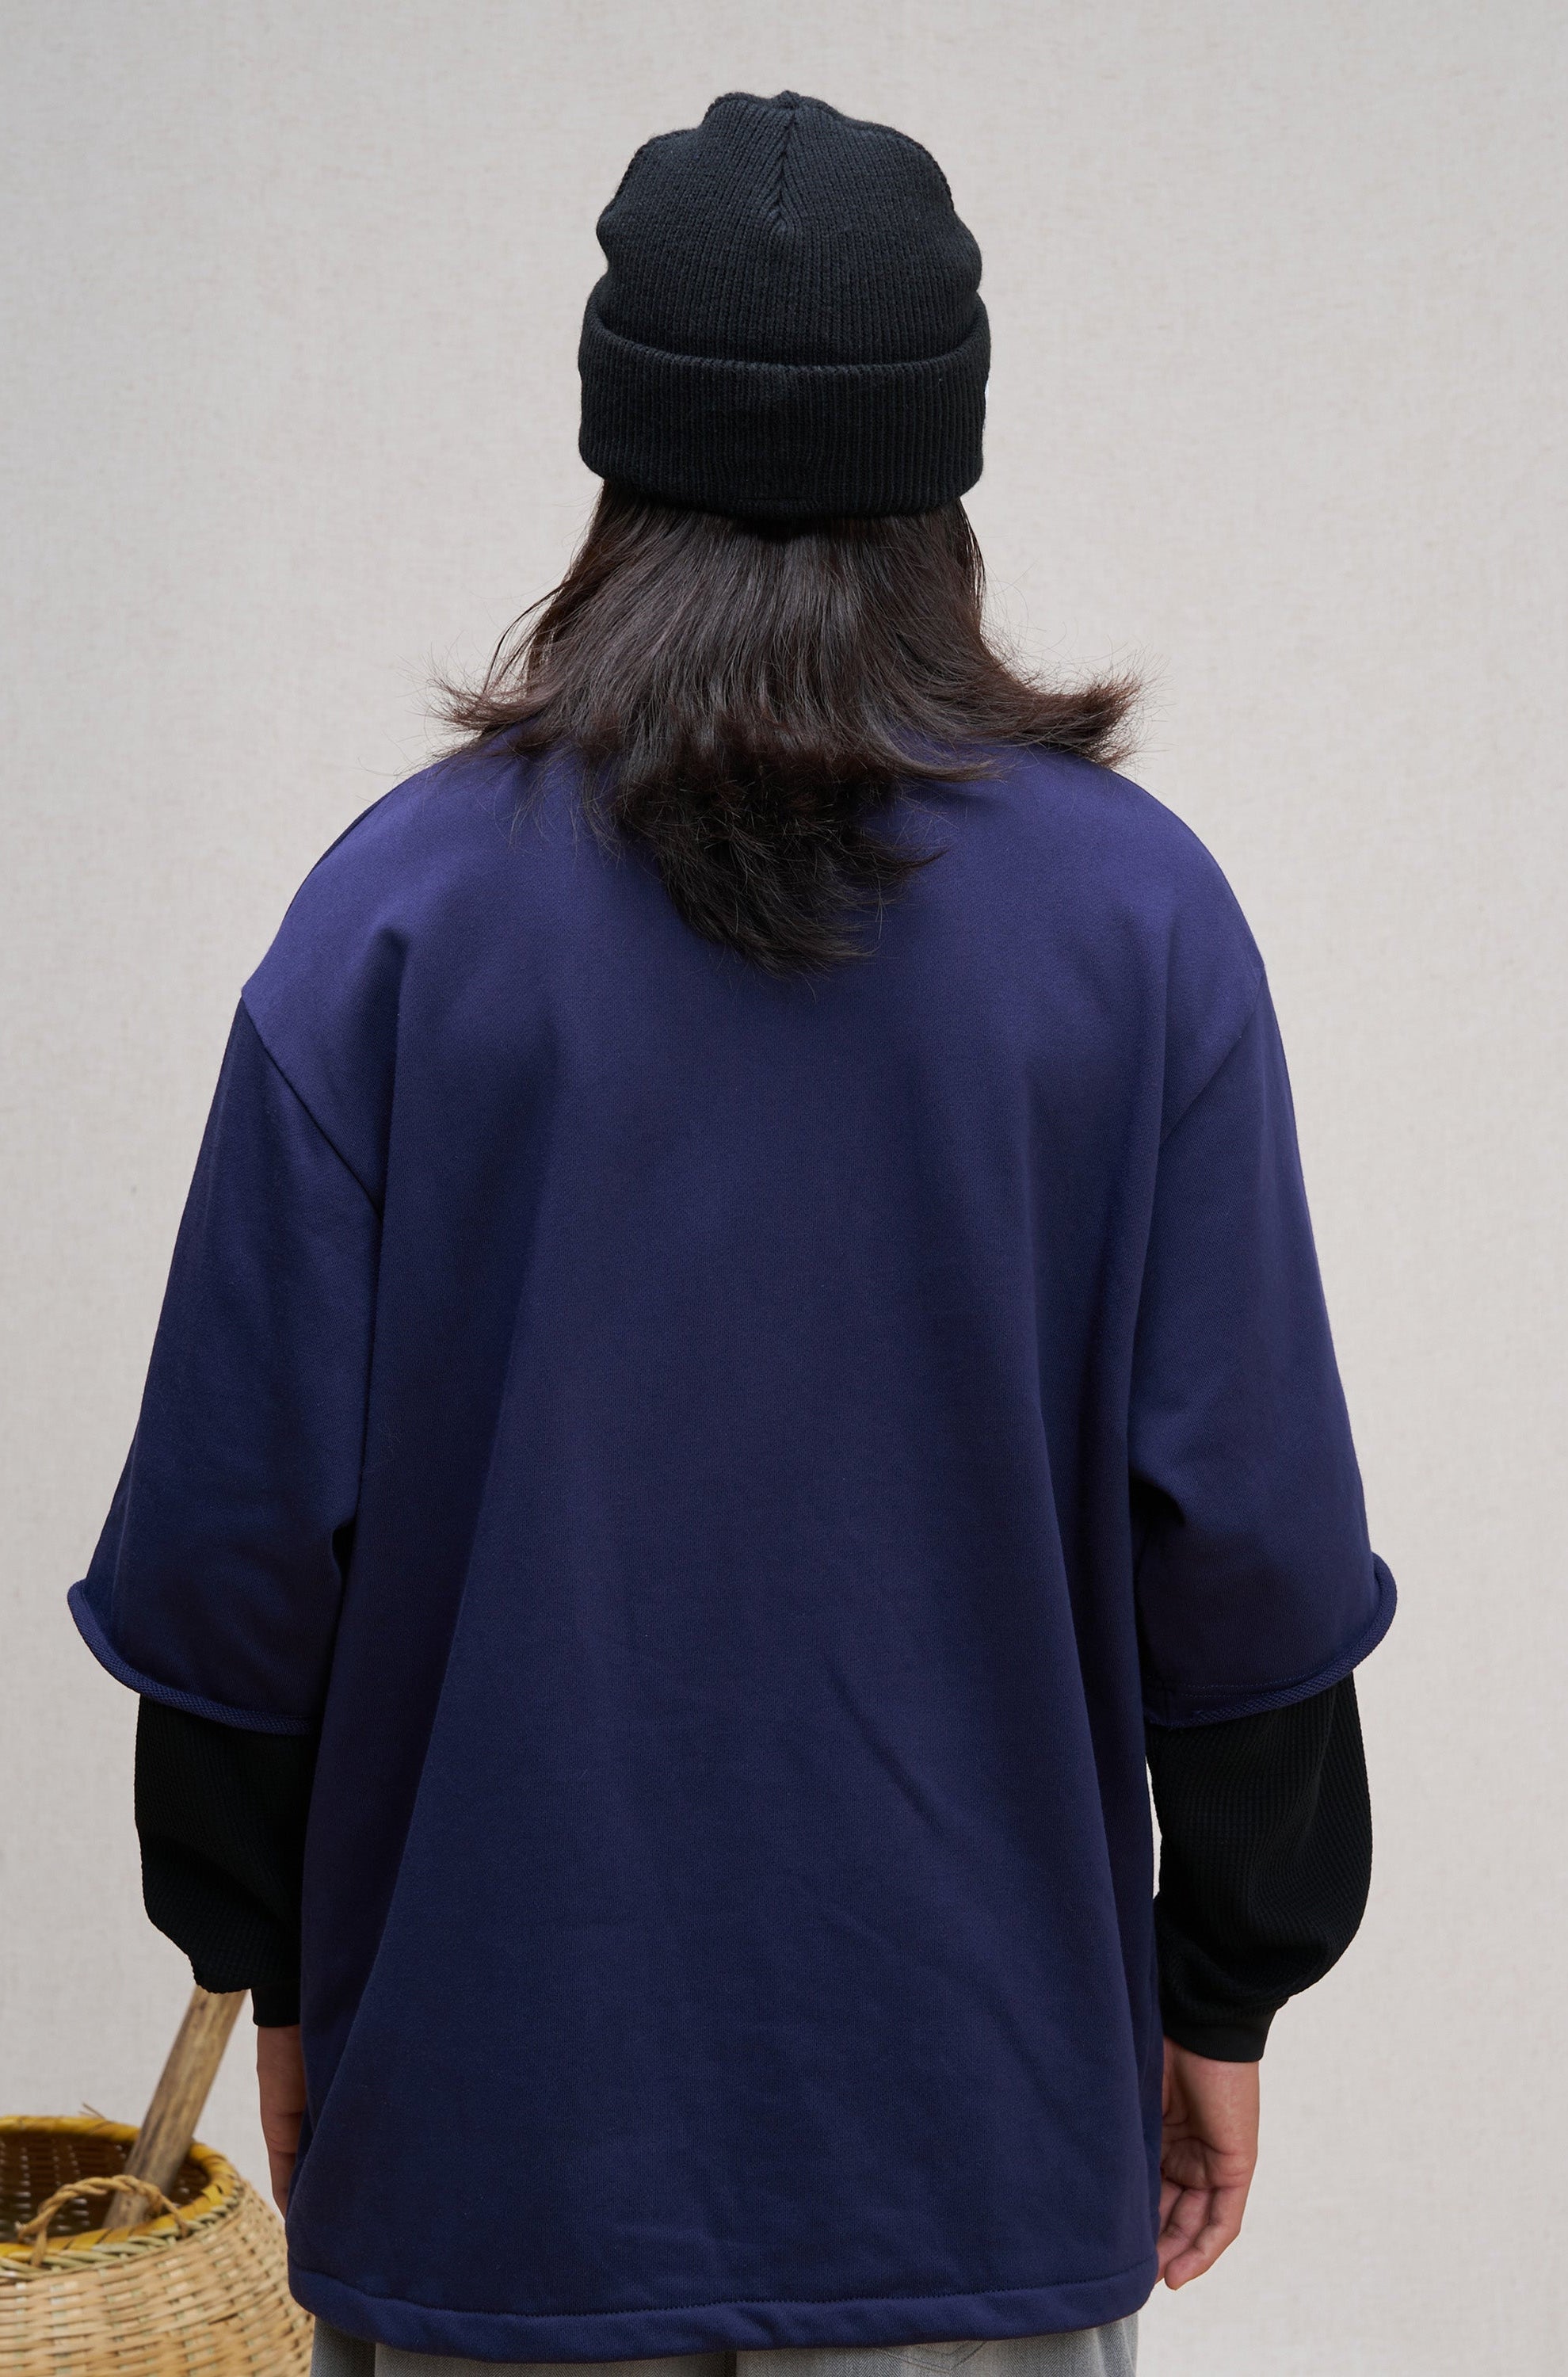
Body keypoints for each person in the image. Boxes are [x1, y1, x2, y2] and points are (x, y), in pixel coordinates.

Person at [72, 90, 1394, 2377]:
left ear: (618, 448)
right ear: (943, 463)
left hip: (492, 2146)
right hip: (972, 2135)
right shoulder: (1138, 927)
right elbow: (1249, 1545)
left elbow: (230, 1555)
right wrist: (1223, 1991)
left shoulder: (395, 921)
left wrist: (271, 1968)